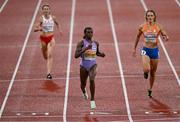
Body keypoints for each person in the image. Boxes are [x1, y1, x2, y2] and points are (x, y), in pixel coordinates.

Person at [133, 10, 169, 98]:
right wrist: (134, 48)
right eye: (148, 16)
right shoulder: (142, 26)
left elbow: (164, 34)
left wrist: (166, 37)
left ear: (154, 17)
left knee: (153, 72)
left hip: (155, 51)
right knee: (147, 69)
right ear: (146, 17)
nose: (150, 17)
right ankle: (145, 72)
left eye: (151, 15)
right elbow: (137, 36)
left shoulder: (159, 26)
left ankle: (150, 88)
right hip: (146, 50)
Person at [74, 27, 105, 109]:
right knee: (83, 84)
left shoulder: (96, 43)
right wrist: (85, 49)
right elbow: (76, 56)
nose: (90, 34)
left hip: (93, 65)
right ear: (84, 33)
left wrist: (101, 54)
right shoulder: (81, 43)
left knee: (92, 79)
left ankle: (92, 100)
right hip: (83, 66)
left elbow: (97, 53)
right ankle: (84, 92)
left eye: (91, 32)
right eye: (88, 32)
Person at [34, 4, 62, 79]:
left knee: (50, 55)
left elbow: (57, 23)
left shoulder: (53, 18)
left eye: (47, 9)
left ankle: (48, 73)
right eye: (44, 9)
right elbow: (35, 29)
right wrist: (39, 29)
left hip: (51, 38)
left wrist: (60, 30)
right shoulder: (41, 19)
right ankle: (43, 50)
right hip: (43, 39)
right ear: (42, 11)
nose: (46, 10)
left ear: (49, 10)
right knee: (45, 57)